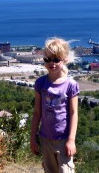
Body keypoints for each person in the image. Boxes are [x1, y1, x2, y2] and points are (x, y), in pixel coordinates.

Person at [30, 37, 79, 173]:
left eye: (56, 59)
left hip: (63, 139)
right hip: (45, 138)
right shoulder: (40, 83)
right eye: (48, 59)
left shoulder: (71, 85)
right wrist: (32, 138)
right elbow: (37, 113)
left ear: (65, 60)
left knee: (66, 170)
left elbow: (74, 113)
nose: (52, 63)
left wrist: (71, 140)